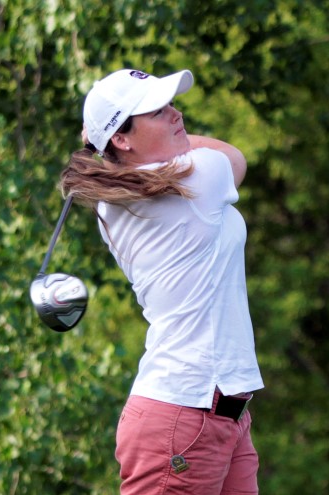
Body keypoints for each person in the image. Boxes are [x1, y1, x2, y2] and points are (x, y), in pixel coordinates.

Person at [59, 68, 265, 495]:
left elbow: (141, 168)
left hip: (219, 413)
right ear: (121, 137)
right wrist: (173, 146)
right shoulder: (198, 178)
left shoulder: (113, 203)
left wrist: (108, 144)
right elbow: (235, 157)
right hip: (184, 416)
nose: (176, 113)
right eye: (157, 110)